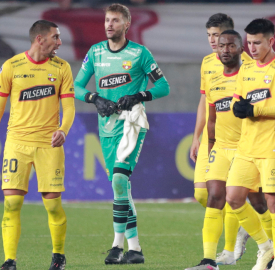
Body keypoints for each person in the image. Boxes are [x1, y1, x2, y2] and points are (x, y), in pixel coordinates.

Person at [73, 3, 170, 265]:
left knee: (118, 180)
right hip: (106, 128)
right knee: (121, 188)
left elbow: (163, 85)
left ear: (127, 24)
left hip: (131, 125)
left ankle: (116, 246)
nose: (109, 25)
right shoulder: (95, 53)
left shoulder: (140, 53)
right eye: (107, 20)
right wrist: (94, 98)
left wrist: (140, 95)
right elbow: (76, 87)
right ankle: (135, 249)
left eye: (115, 20)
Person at [0, 20, 75, 270]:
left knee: (53, 204)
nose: (60, 42)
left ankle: (58, 255)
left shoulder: (62, 67)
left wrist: (63, 130)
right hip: (17, 144)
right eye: (55, 37)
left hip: (48, 145)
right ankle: (10, 261)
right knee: (11, 203)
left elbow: (69, 107)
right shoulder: (11, 66)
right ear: (40, 39)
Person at [190, 13, 270, 264]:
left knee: (254, 200)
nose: (217, 44)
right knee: (209, 195)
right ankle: (212, 258)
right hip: (217, 143)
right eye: (212, 37)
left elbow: (261, 107)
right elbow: (208, 105)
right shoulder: (208, 66)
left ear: (237, 43)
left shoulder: (250, 69)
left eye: (222, 39)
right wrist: (201, 138)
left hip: (246, 145)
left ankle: (264, 247)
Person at [226, 18, 275, 270]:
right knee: (234, 198)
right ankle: (265, 245)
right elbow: (238, 98)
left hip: (274, 146)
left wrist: (255, 109)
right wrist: (237, 106)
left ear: (271, 41)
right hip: (247, 147)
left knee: (273, 201)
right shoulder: (246, 68)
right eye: (249, 43)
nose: (252, 48)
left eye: (257, 42)